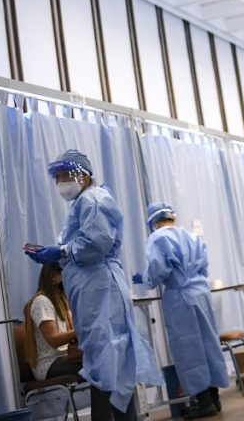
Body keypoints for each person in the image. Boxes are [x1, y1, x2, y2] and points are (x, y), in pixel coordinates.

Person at [24, 149, 163, 421]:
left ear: (84, 175)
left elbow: (96, 243)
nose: (62, 181)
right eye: (58, 177)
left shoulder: (93, 199)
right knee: (106, 363)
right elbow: (80, 245)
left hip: (100, 289)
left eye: (67, 174)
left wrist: (61, 252)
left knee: (106, 362)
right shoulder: (82, 204)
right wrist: (56, 253)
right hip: (92, 290)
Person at [131, 202, 228, 419]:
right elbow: (204, 267)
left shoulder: (158, 238)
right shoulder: (192, 236)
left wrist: (145, 278)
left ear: (153, 222)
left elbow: (158, 271)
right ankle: (214, 399)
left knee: (189, 348)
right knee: (209, 344)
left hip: (181, 297)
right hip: (201, 293)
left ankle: (204, 403)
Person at [23, 262, 79, 381]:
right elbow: (54, 340)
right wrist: (80, 331)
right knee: (95, 365)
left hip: (65, 356)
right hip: (49, 363)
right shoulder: (41, 302)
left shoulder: (61, 301)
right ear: (53, 276)